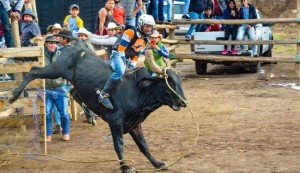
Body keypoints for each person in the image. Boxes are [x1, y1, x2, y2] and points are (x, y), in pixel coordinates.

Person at [96, 14, 155, 109]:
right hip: (118, 54)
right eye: (147, 26)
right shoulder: (130, 32)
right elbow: (121, 49)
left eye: (151, 27)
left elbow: (137, 54)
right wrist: (124, 63)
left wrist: (132, 66)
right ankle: (103, 94)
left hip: (127, 58)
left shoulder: (146, 40)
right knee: (120, 71)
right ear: (141, 25)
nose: (149, 29)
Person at [44, 35, 70, 142]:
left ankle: (66, 132)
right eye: (50, 43)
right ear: (46, 44)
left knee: (63, 113)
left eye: (55, 43)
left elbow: (68, 68)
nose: (53, 45)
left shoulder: (61, 55)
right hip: (47, 88)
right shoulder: (41, 55)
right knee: (46, 113)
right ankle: (48, 134)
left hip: (60, 87)